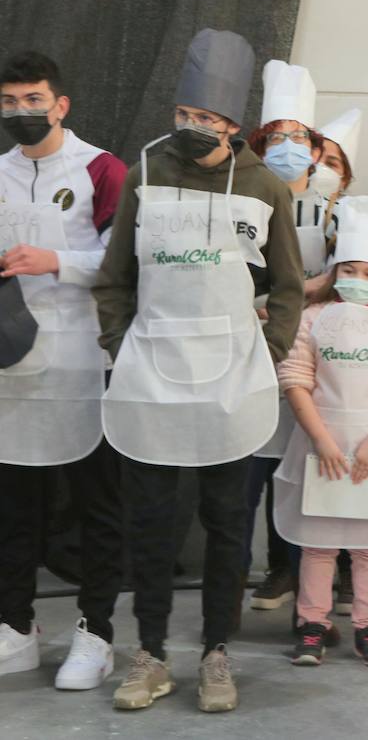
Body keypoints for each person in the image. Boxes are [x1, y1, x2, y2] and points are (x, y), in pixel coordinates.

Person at [94, 28, 305, 713]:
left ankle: (217, 652)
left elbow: (292, 286)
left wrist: (267, 354)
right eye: (184, 115)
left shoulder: (265, 186)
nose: (191, 128)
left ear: (232, 126)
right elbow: (113, 277)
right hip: (153, 376)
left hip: (230, 383)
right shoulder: (144, 175)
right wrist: (121, 344)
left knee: (224, 524)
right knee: (151, 524)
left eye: (206, 119)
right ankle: (150, 654)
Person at [0, 51, 128, 689]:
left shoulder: (101, 168)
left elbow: (123, 260)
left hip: (83, 359)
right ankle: (15, 626)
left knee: (95, 503)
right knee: (14, 503)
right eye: (10, 101)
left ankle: (96, 631)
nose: (21, 112)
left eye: (33, 100)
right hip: (11, 364)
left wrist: (55, 258)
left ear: (61, 104)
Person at [273, 196, 368, 667]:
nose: (359, 280)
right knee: (317, 544)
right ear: (335, 270)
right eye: (350, 270)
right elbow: (296, 378)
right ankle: (313, 622)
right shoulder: (313, 318)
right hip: (322, 445)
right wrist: (320, 438)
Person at [240, 58, 317, 613]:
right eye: (276, 137)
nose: (287, 146)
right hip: (248, 347)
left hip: (312, 357)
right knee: (249, 467)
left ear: (313, 146)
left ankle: (297, 573)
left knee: (301, 469)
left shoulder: (337, 211)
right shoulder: (244, 200)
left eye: (297, 137)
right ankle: (248, 572)